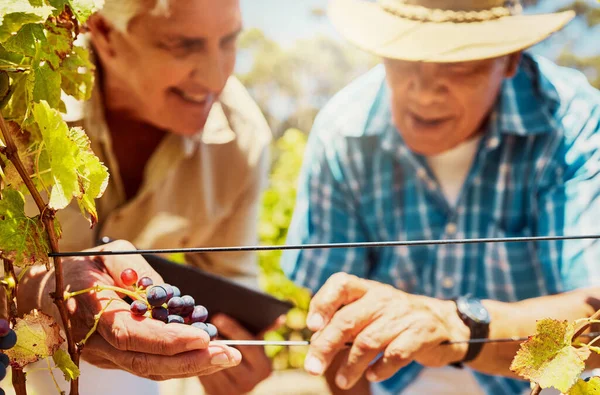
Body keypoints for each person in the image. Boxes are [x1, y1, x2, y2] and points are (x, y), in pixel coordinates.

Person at [282, 0, 600, 394]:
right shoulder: (343, 134)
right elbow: (336, 333)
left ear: (510, 59)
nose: (425, 90)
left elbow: (596, 332)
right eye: (404, 58)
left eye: (459, 64)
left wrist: (464, 329)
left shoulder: (573, 125)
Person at [17, 0, 274, 394]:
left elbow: (228, 296)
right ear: (103, 34)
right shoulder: (17, 106)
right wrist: (40, 292)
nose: (216, 76)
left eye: (228, 41)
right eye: (183, 45)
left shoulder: (241, 142)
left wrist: (233, 361)